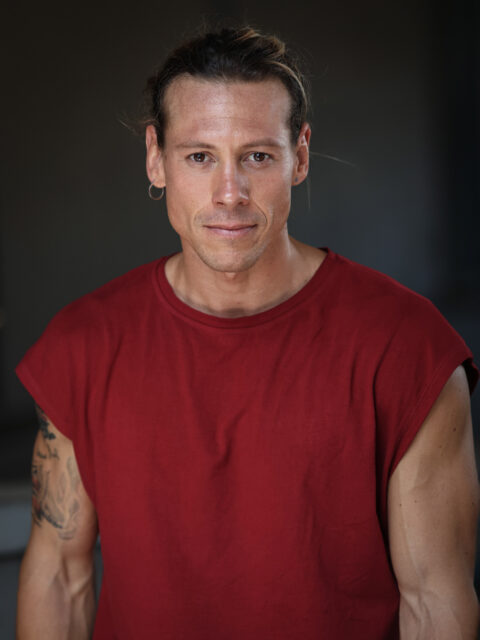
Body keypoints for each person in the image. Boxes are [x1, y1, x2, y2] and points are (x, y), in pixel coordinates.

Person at [15, 26, 479, 640]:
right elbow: (60, 576)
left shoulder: (406, 347)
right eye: (199, 156)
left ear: (300, 155)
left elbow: (435, 600)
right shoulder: (83, 346)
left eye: (257, 156)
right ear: (156, 157)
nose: (229, 193)